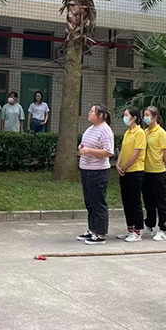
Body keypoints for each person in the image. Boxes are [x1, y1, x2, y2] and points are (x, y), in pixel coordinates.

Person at [76, 104, 115, 245]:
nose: (89, 113)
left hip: (98, 171)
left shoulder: (105, 130)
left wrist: (89, 151)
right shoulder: (91, 128)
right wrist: (82, 148)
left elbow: (109, 152)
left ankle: (101, 233)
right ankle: (92, 229)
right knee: (90, 202)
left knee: (98, 202)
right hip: (86, 170)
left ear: (100, 115)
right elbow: (86, 145)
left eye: (92, 111)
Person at [116, 107, 147, 242]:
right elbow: (123, 150)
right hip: (125, 171)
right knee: (126, 200)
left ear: (134, 117)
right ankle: (129, 228)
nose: (125, 117)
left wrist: (125, 166)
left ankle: (137, 230)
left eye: (126, 115)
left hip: (135, 170)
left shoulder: (139, 133)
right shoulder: (127, 132)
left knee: (135, 201)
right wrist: (118, 164)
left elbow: (137, 153)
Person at [141, 107, 166, 241]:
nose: (145, 117)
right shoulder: (145, 132)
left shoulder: (161, 133)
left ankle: (163, 227)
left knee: (161, 201)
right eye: (144, 115)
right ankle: (150, 223)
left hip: (158, 171)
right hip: (145, 171)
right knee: (148, 200)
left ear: (155, 117)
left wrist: (163, 165)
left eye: (147, 115)